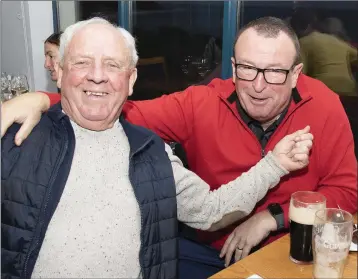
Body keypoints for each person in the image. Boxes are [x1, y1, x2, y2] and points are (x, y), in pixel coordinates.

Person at [2, 16, 356, 278]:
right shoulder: (200, 103)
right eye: (248, 68)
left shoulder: (323, 105)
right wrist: (46, 100)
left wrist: (270, 218)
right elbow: (119, 110)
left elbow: (348, 192)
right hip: (210, 251)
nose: (259, 85)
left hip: (291, 246)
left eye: (274, 72)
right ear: (233, 68)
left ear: (295, 74)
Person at [290, 10, 358, 96]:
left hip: (323, 90)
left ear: (299, 27)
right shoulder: (338, 41)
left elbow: (300, 74)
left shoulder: (303, 42)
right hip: (349, 90)